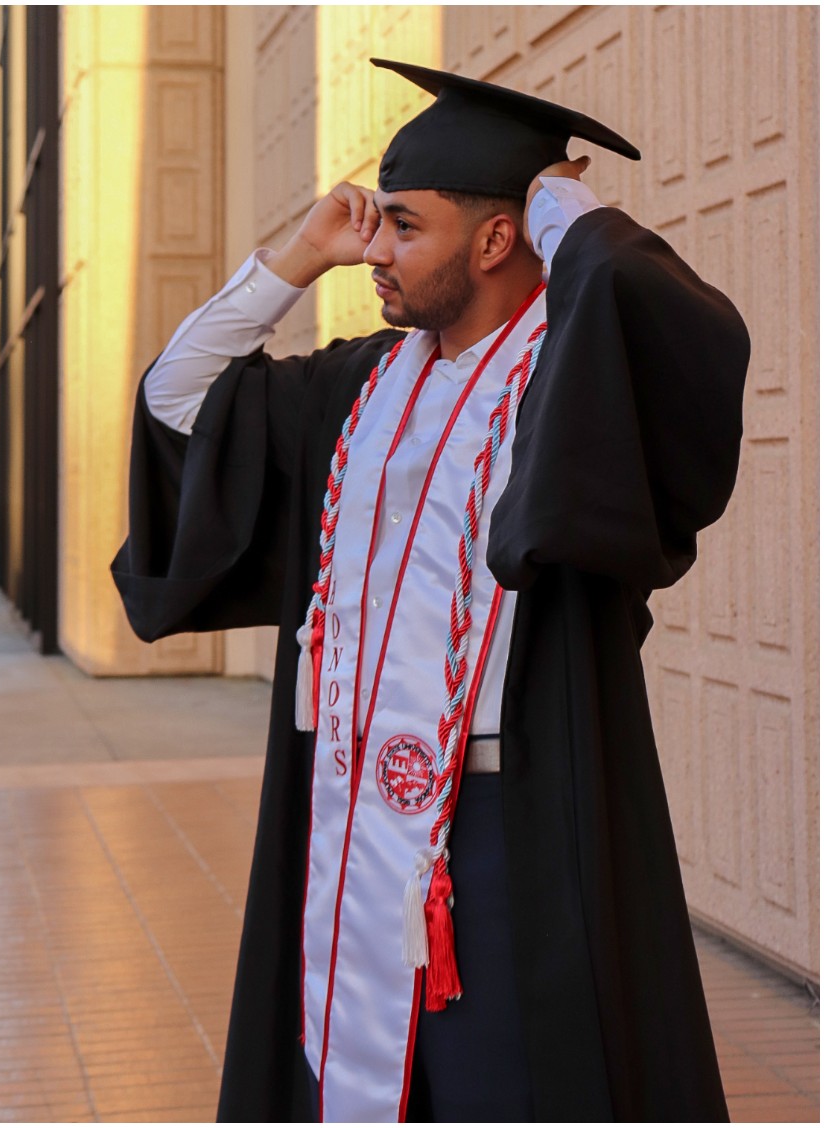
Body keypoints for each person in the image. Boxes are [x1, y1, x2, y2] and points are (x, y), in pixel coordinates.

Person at [112, 59, 747, 1122]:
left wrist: (560, 207)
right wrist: (293, 257)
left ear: (497, 241)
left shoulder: (565, 382)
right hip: (346, 802)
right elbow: (175, 399)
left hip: (511, 821)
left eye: (405, 227)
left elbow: (673, 329)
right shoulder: (355, 387)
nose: (376, 253)